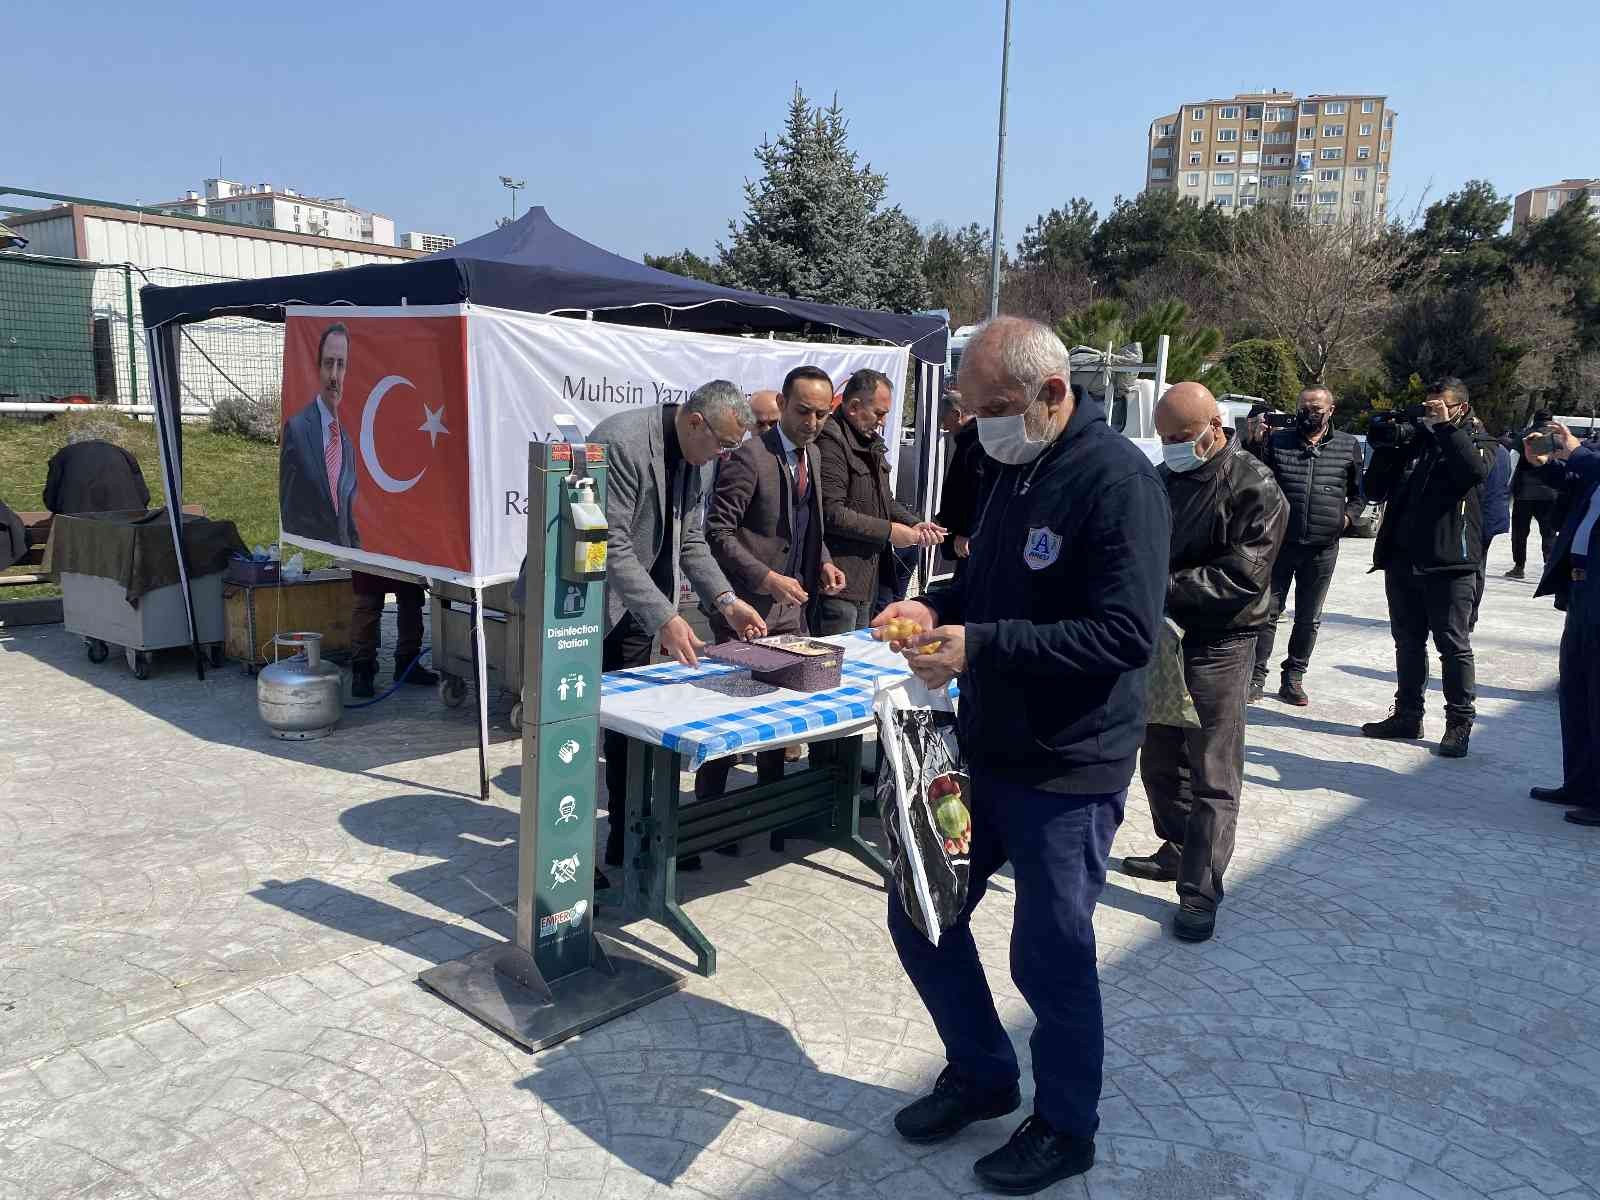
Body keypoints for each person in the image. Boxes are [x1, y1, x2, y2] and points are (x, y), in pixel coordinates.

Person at [873, 317, 1170, 1195]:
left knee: (1049, 954)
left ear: (1051, 393)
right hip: (987, 746)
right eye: (969, 412)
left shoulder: (1118, 481)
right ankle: (982, 1074)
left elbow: (1125, 634)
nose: (979, 426)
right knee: (923, 911)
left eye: (990, 408)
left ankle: (1066, 1127)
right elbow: (989, 585)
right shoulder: (1012, 468)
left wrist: (984, 645)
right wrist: (934, 610)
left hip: (1069, 764)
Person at [1126, 383, 1287, 944]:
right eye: (1165, 437)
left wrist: (1157, 586)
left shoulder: (1255, 485)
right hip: (1164, 637)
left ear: (1215, 426)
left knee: (1213, 770)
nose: (1171, 446)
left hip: (1220, 643)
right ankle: (1176, 847)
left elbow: (1242, 577)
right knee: (1161, 759)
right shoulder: (1167, 478)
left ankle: (1201, 888)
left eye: (1181, 436)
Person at [587, 382, 767, 876]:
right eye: (723, 444)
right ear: (694, 421)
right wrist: (664, 616)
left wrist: (727, 601)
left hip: (638, 612)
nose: (725, 455)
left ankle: (629, 842)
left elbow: (691, 541)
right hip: (584, 609)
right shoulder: (620, 442)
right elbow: (609, 544)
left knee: (630, 733)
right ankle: (570, 859)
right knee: (579, 736)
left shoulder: (700, 456)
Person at [698, 367, 847, 801]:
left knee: (778, 717)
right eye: (804, 411)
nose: (813, 422)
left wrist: (823, 561)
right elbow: (717, 532)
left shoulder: (813, 455)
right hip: (745, 609)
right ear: (782, 405)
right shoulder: (749, 456)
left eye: (822, 414)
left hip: (791, 608)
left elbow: (805, 524)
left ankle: (769, 812)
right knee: (730, 719)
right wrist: (764, 577)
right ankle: (708, 817)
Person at [1360, 377, 1493, 758]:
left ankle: (1459, 723)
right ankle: (1407, 714)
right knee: (1407, 642)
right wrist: (1386, 446)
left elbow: (1471, 473)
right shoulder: (1414, 443)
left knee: (1452, 645)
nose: (1429, 412)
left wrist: (1446, 429)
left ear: (1460, 409)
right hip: (1402, 559)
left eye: (1439, 406)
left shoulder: (1480, 443)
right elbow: (1373, 490)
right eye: (1427, 406)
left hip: (1450, 564)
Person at [1250, 386, 1364, 705]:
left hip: (1322, 548)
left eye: (1316, 408)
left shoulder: (1347, 445)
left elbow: (1359, 494)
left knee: (1308, 617)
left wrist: (1346, 520)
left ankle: (1294, 677)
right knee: (1266, 612)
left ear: (1331, 410)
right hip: (1280, 544)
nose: (1309, 413)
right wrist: (1254, 442)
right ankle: (1256, 677)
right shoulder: (1278, 440)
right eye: (1303, 407)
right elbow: (1255, 480)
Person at [815, 368, 943, 632]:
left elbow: (886, 500)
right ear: (853, 407)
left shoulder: (869, 442)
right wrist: (890, 531)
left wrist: (914, 524)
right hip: (839, 581)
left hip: (868, 579)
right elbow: (832, 513)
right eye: (879, 413)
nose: (883, 422)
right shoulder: (831, 441)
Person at [1523, 422, 1600, 825]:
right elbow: (1575, 475)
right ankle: (1581, 784)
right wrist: (1545, 460)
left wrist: (1574, 447)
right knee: (1575, 687)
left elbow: (1588, 463)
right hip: (1583, 591)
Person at [279, 322, 361, 548]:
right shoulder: (297, 430)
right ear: (318, 368)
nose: (334, 375)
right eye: (328, 364)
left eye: (341, 365)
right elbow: (287, 511)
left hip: (345, 565)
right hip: (313, 557)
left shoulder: (347, 443)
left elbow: (347, 519)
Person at [349, 572, 438, 698]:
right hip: (371, 555)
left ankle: (407, 664)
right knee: (368, 601)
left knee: (411, 597)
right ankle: (362, 671)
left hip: (407, 555)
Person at [1506, 410, 1561, 579]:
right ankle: (1549, 566)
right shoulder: (1556, 438)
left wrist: (1508, 487)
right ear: (1551, 421)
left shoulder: (1524, 436)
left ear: (1534, 420)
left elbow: (1512, 462)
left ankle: (1519, 566)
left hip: (1524, 493)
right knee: (1549, 532)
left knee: (1520, 532)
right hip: (1550, 493)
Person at [43, 433, 150, 514]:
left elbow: (51, 499)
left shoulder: (64, 455)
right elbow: (144, 496)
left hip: (78, 526)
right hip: (127, 524)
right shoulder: (123, 454)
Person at [934, 387, 984, 562]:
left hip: (968, 539)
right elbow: (958, 488)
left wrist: (966, 533)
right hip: (962, 534)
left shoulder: (975, 442)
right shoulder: (967, 440)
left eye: (944, 419)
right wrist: (942, 518)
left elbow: (977, 490)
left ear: (956, 414)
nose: (944, 426)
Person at [1473, 431, 1514, 627]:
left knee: (1471, 569)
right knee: (1479, 567)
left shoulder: (1479, 451)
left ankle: (1468, 615)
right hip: (1492, 516)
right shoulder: (1503, 451)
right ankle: (1471, 614)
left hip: (1477, 516)